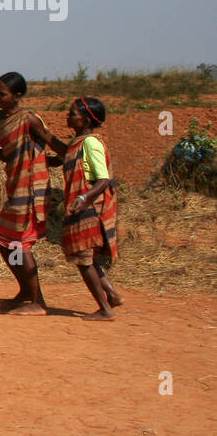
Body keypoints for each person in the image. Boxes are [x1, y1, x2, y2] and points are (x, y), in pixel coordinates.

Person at [43, 96, 123, 320]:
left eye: (73, 114)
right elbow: (62, 156)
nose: (68, 116)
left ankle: (105, 309)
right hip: (81, 206)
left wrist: (85, 197)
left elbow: (103, 179)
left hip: (89, 209)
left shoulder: (90, 143)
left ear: (86, 120)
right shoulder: (77, 142)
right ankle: (112, 294)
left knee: (83, 260)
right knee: (88, 257)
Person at [0, 72, 52, 315]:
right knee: (2, 240)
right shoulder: (0, 118)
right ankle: (25, 290)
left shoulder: (28, 119)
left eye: (2, 94)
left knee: (20, 244)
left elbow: (50, 141)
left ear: (17, 96)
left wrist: (71, 154)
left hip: (31, 187)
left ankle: (38, 302)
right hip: (14, 184)